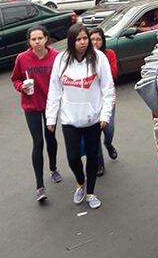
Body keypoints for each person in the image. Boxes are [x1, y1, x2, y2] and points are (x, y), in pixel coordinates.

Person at [46, 24, 114, 209]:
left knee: (92, 156)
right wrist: (51, 118)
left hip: (93, 118)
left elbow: (108, 89)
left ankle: (91, 192)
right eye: (78, 39)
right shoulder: (61, 60)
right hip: (70, 119)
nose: (83, 42)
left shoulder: (99, 58)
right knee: (73, 157)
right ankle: (80, 183)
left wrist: (105, 115)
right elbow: (54, 91)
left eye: (85, 38)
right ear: (71, 41)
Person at [11, 26, 62, 202]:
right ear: (29, 42)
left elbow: (62, 78)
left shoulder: (56, 57)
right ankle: (40, 186)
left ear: (46, 38)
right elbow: (15, 79)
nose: (37, 42)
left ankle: (54, 168)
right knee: (38, 142)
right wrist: (21, 86)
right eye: (33, 39)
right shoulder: (22, 58)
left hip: (50, 105)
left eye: (40, 38)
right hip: (31, 105)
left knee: (51, 138)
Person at [89, 28, 118, 177]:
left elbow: (113, 73)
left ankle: (108, 144)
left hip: (108, 99)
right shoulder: (85, 57)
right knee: (95, 134)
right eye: (92, 39)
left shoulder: (109, 54)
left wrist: (101, 62)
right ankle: (99, 164)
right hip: (92, 101)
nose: (95, 42)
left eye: (98, 39)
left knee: (109, 129)